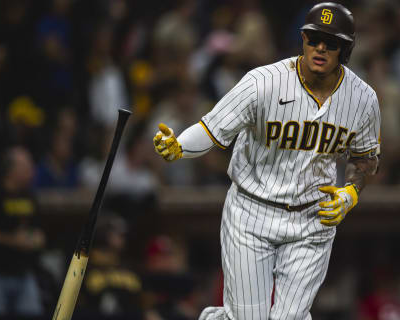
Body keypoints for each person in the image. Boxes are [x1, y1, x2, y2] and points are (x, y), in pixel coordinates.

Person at [153, 3, 380, 319]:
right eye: (314, 39)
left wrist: (351, 193)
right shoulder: (263, 82)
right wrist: (180, 146)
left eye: (331, 43)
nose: (320, 48)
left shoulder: (363, 99)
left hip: (312, 219)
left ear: (346, 49)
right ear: (303, 38)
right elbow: (212, 128)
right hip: (251, 212)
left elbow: (365, 158)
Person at [0, 146, 46, 317]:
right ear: (11, 169)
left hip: (24, 273)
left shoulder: (29, 196)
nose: (32, 170)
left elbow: (38, 232)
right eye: (26, 166)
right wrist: (14, 241)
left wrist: (35, 240)